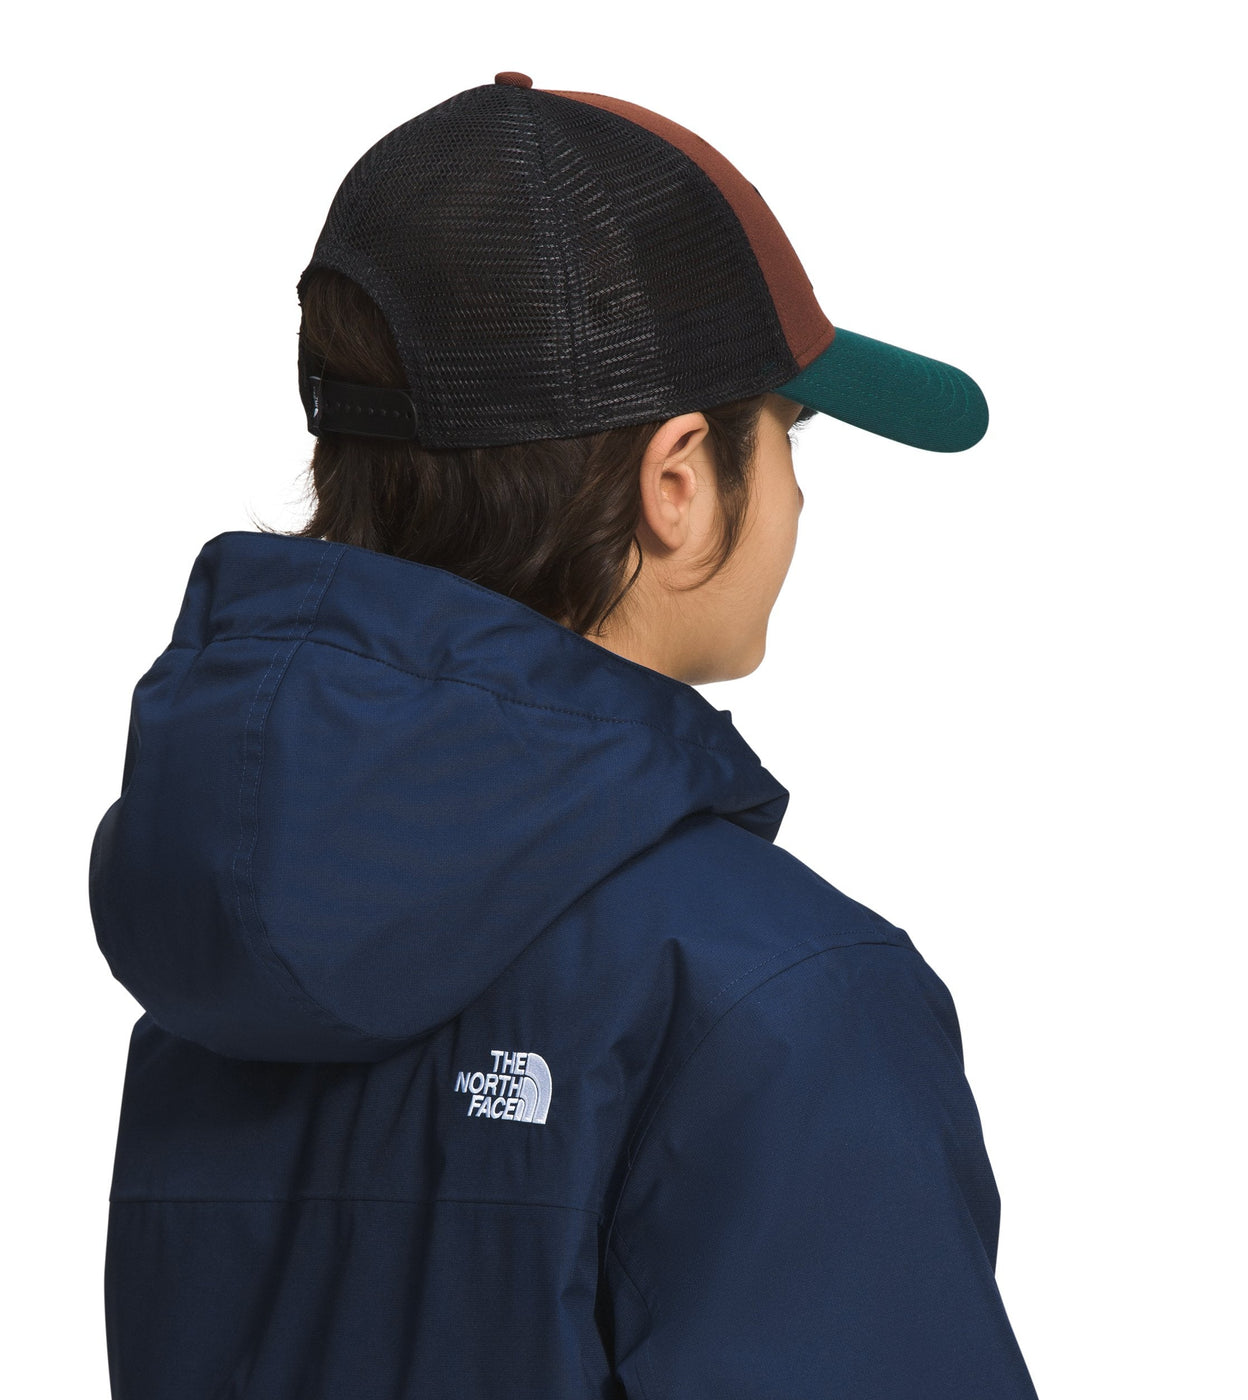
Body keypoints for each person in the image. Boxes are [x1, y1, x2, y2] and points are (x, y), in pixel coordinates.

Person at [89, 71, 1041, 1399]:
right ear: (678, 482)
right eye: (791, 436)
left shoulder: (216, 968)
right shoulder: (778, 1000)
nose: (800, 500)